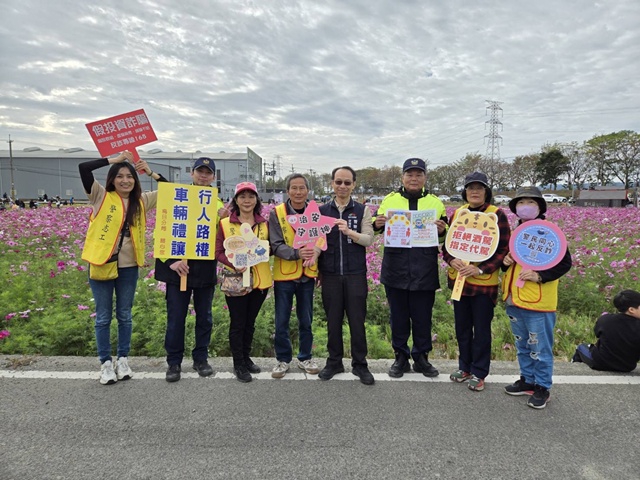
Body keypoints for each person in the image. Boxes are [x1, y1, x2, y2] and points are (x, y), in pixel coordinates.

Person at [79, 151, 166, 385]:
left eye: (129, 176)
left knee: (125, 315)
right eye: (120, 176)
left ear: (135, 180)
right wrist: (114, 160)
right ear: (112, 179)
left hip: (129, 266)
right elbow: (84, 168)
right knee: (103, 316)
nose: (125, 180)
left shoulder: (142, 201)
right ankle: (106, 363)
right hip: (101, 263)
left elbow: (171, 190)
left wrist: (150, 172)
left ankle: (123, 359)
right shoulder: (100, 196)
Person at [155, 157, 229, 383]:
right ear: (192, 173)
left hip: (204, 267)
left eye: (208, 173)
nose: (203, 176)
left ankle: (201, 358)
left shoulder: (217, 203)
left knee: (204, 317)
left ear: (213, 177)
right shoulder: (176, 196)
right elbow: (162, 230)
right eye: (200, 171)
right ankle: (174, 361)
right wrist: (171, 261)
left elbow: (224, 237)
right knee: (176, 317)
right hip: (179, 267)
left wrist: (225, 221)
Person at [373, 158, 448, 378]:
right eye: (409, 174)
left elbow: (445, 234)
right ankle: (401, 357)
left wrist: (442, 230)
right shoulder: (389, 200)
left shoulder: (436, 203)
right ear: (402, 177)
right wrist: (378, 223)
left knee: (422, 316)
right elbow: (377, 227)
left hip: (424, 268)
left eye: (418, 174)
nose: (414, 178)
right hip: (395, 267)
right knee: (398, 316)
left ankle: (422, 357)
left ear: (425, 177)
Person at [502, 186, 572, 409]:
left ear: (540, 207)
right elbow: (510, 263)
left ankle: (542, 386)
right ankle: (527, 380)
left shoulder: (549, 232)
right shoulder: (516, 231)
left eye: (531, 202)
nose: (525, 206)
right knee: (522, 343)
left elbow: (565, 263)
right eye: (521, 202)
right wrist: (505, 263)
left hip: (538, 301)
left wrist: (540, 276)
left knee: (540, 347)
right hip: (514, 297)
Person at [442, 172, 510, 392]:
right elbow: (447, 246)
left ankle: (479, 371)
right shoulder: (458, 213)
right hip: (460, 281)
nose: (474, 192)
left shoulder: (496, 214)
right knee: (462, 327)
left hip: (483, 284)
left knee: (481, 330)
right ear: (465, 192)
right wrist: (451, 261)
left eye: (479, 188)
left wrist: (480, 268)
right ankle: (464, 367)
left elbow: (503, 250)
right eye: (470, 188)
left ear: (486, 192)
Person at [317, 166, 375, 385]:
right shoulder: (321, 211)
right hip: (330, 274)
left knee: (357, 321)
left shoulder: (362, 210)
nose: (342, 186)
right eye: (338, 182)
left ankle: (360, 364)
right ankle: (334, 362)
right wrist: (312, 260)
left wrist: (349, 232)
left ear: (354, 185)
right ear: (332, 183)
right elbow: (316, 242)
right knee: (333, 321)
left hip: (355, 274)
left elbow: (368, 239)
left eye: (347, 183)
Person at [216, 182, 272, 382]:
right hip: (236, 280)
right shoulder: (225, 223)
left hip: (260, 280)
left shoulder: (264, 224)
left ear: (256, 200)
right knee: (238, 323)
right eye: (242, 196)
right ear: (236, 200)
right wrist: (233, 263)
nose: (247, 200)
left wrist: (265, 251)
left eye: (251, 196)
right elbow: (218, 252)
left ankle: (246, 358)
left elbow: (271, 247)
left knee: (250, 323)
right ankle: (238, 363)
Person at [268, 173, 321, 378]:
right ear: (287, 191)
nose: (298, 192)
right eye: (294, 188)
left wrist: (319, 265)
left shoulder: (315, 212)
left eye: (302, 188)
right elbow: (276, 244)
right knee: (282, 319)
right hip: (285, 275)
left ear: (308, 190)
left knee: (306, 319)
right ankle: (283, 359)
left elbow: (322, 240)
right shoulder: (277, 213)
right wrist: (296, 253)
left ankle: (305, 357)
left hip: (308, 274)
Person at [572, 290, 640, 372]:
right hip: (627, 366)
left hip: (600, 362)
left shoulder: (605, 320)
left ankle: (574, 371)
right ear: (631, 309)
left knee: (581, 347)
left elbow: (597, 333)